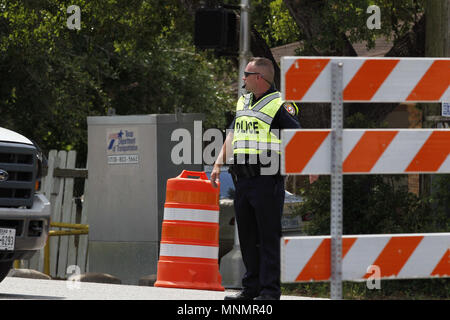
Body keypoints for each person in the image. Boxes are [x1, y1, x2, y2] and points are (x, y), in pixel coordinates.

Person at [210, 57, 301, 300]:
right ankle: (251, 289)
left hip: (267, 178)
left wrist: (306, 165)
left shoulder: (280, 104)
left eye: (246, 74)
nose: (243, 78)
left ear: (259, 77)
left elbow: (297, 137)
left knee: (268, 236)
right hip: (242, 180)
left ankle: (270, 291)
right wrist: (219, 163)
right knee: (248, 237)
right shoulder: (243, 101)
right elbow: (232, 134)